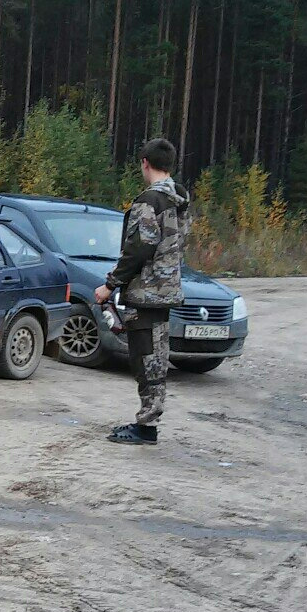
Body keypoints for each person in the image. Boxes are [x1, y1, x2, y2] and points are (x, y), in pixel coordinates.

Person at [93, 138, 190, 445]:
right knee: (157, 357)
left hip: (146, 292)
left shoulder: (149, 201)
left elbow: (139, 248)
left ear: (145, 163)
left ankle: (146, 426)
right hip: (167, 289)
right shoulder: (181, 197)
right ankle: (149, 419)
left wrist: (110, 285)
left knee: (145, 357)